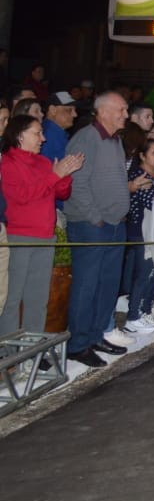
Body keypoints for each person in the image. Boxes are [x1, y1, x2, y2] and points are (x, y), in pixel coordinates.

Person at [63, 91, 132, 368]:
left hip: (115, 225)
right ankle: (78, 345)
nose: (126, 115)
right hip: (92, 226)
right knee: (86, 286)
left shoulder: (115, 140)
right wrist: (95, 218)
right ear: (103, 111)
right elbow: (76, 183)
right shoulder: (86, 138)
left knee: (107, 286)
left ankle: (94, 336)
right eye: (122, 110)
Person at [0, 116, 83, 337]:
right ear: (19, 135)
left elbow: (62, 193)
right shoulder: (8, 162)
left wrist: (64, 175)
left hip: (46, 236)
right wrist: (54, 175)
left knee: (38, 299)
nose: (43, 139)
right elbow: (21, 196)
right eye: (37, 133)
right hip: (20, 238)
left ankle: (32, 350)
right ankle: (9, 353)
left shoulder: (43, 162)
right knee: (12, 299)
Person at [121, 139, 154, 333]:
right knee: (145, 272)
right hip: (142, 230)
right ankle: (133, 316)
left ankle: (145, 311)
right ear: (142, 156)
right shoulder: (138, 176)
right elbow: (151, 202)